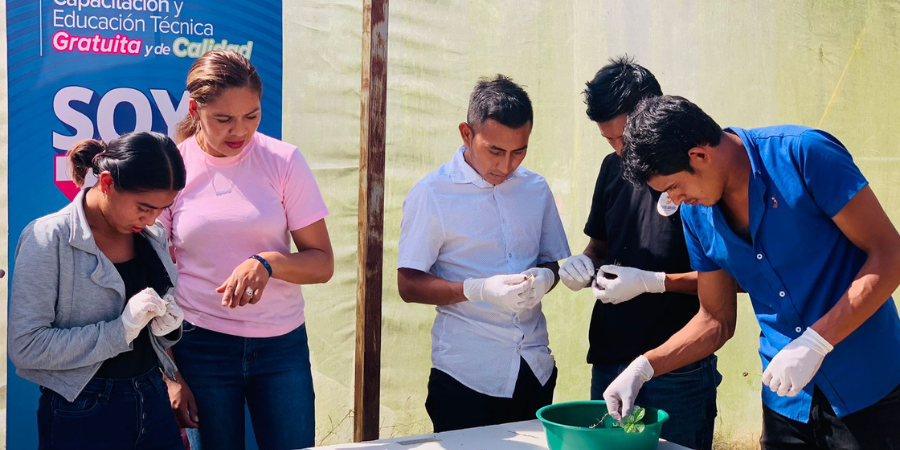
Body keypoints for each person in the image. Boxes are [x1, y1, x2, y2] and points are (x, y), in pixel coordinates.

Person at [606, 94, 900, 449]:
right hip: (786, 403)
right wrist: (643, 368)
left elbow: (890, 254)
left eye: (673, 187)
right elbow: (715, 319)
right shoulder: (696, 214)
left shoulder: (803, 154)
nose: (676, 200)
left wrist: (817, 341)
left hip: (869, 389)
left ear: (699, 156)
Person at [161, 49, 334, 450]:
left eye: (251, 115)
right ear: (195, 109)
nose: (240, 130)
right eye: (224, 119)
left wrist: (269, 263)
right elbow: (148, 277)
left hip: (281, 346)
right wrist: (170, 373)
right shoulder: (171, 167)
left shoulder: (284, 160)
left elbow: (322, 263)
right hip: (198, 345)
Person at [557, 57, 719, 449]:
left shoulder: (701, 176)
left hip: (676, 365)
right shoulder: (612, 169)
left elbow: (727, 284)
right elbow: (599, 246)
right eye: (608, 140)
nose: (619, 150)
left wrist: (652, 283)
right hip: (612, 356)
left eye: (624, 139)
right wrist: (582, 266)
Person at [397, 75, 571, 432]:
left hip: (534, 367)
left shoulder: (535, 188)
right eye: (495, 150)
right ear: (466, 133)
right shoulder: (432, 193)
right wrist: (477, 290)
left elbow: (551, 260)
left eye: (519, 151)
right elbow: (408, 284)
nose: (506, 166)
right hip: (467, 375)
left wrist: (547, 277)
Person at [9, 131, 187, 450]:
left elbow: (153, 329)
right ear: (106, 183)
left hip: (153, 396)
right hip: (81, 408)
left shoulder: (153, 234)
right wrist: (118, 332)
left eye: (163, 208)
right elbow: (25, 346)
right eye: (144, 207)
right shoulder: (47, 238)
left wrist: (169, 329)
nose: (152, 219)